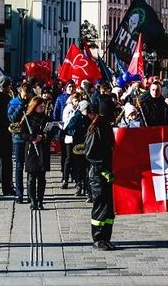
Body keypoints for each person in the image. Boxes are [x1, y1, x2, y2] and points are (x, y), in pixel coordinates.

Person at [85, 96, 116, 251]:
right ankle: (98, 239)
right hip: (98, 176)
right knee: (100, 207)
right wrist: (103, 170)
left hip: (108, 174)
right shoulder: (96, 128)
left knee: (109, 209)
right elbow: (91, 154)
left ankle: (106, 237)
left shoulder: (107, 127)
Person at [20, 96, 51, 210]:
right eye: (40, 106)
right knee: (32, 177)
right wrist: (32, 137)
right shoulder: (28, 118)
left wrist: (43, 137)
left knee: (42, 177)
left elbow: (51, 132)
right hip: (31, 150)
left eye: (44, 106)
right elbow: (22, 133)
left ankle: (40, 201)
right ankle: (33, 201)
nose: (43, 108)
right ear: (35, 106)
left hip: (43, 149)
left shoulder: (47, 118)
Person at [7, 82, 32, 203]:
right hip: (18, 138)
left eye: (28, 94)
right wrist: (21, 105)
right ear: (20, 92)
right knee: (19, 166)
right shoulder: (14, 102)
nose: (26, 96)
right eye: (24, 93)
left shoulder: (33, 102)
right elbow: (11, 118)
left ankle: (31, 193)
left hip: (29, 138)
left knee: (30, 167)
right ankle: (19, 193)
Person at [65, 100, 92, 197]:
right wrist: (77, 132)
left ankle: (88, 188)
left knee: (87, 167)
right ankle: (79, 185)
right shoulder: (76, 118)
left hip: (88, 144)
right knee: (79, 167)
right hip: (78, 145)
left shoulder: (89, 118)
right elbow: (68, 129)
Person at [61, 93, 82, 188]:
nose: (77, 103)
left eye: (78, 101)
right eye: (76, 100)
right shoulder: (68, 109)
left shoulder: (79, 110)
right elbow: (66, 123)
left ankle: (77, 179)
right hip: (69, 136)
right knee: (69, 158)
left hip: (77, 136)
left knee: (77, 159)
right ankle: (65, 179)